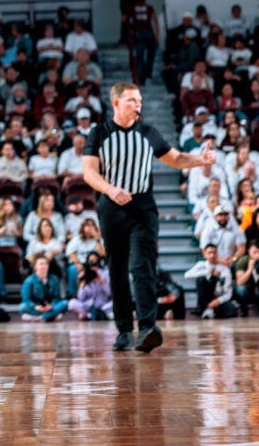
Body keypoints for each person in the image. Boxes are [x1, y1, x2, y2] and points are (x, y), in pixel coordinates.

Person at [83, 81, 217, 352]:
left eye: (140, 100)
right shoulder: (98, 133)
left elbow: (177, 159)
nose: (138, 105)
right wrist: (110, 189)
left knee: (142, 266)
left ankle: (147, 328)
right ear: (117, 103)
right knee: (117, 269)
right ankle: (123, 331)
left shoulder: (148, 132)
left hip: (142, 207)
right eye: (132, 100)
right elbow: (89, 172)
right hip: (111, 207)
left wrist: (201, 160)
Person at [185, 244, 238, 319]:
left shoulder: (224, 269)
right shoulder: (201, 265)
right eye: (209, 253)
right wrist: (207, 272)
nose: (212, 255)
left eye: (214, 252)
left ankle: (212, 311)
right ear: (204, 254)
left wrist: (218, 300)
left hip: (219, 297)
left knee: (231, 310)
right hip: (206, 297)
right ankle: (207, 309)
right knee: (201, 280)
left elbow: (228, 292)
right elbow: (187, 275)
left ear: (217, 254)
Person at [20, 255, 68, 322]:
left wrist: (51, 305)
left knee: (65, 303)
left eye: (46, 263)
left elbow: (57, 297)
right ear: (35, 267)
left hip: (50, 307)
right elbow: (26, 299)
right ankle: (51, 316)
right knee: (22, 307)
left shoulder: (54, 279)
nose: (44, 266)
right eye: (41, 264)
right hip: (36, 307)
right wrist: (36, 306)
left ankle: (40, 318)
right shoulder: (29, 281)